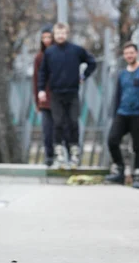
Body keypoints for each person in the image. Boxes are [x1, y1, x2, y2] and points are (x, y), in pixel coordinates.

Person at [38, 22, 97, 169]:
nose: (60, 36)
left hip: (72, 93)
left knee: (73, 122)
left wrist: (83, 76)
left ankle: (75, 154)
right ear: (54, 35)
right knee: (57, 123)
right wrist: (41, 90)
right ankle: (59, 155)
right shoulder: (49, 52)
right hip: (56, 94)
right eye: (57, 33)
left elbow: (92, 62)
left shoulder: (76, 50)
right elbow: (42, 72)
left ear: (67, 33)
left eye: (63, 33)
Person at [105, 42, 139, 189]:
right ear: (124, 55)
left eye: (131, 53)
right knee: (112, 140)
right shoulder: (122, 74)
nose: (129, 55)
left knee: (137, 146)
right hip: (122, 113)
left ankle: (138, 176)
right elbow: (118, 94)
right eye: (126, 53)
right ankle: (120, 170)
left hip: (138, 114)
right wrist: (115, 113)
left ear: (137, 53)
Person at [33, 25, 55, 167]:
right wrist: (37, 102)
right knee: (47, 130)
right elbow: (35, 79)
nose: (46, 40)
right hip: (45, 100)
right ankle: (49, 156)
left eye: (49, 37)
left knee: (61, 129)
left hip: (59, 98)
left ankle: (62, 155)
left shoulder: (58, 54)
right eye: (44, 38)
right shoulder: (39, 57)